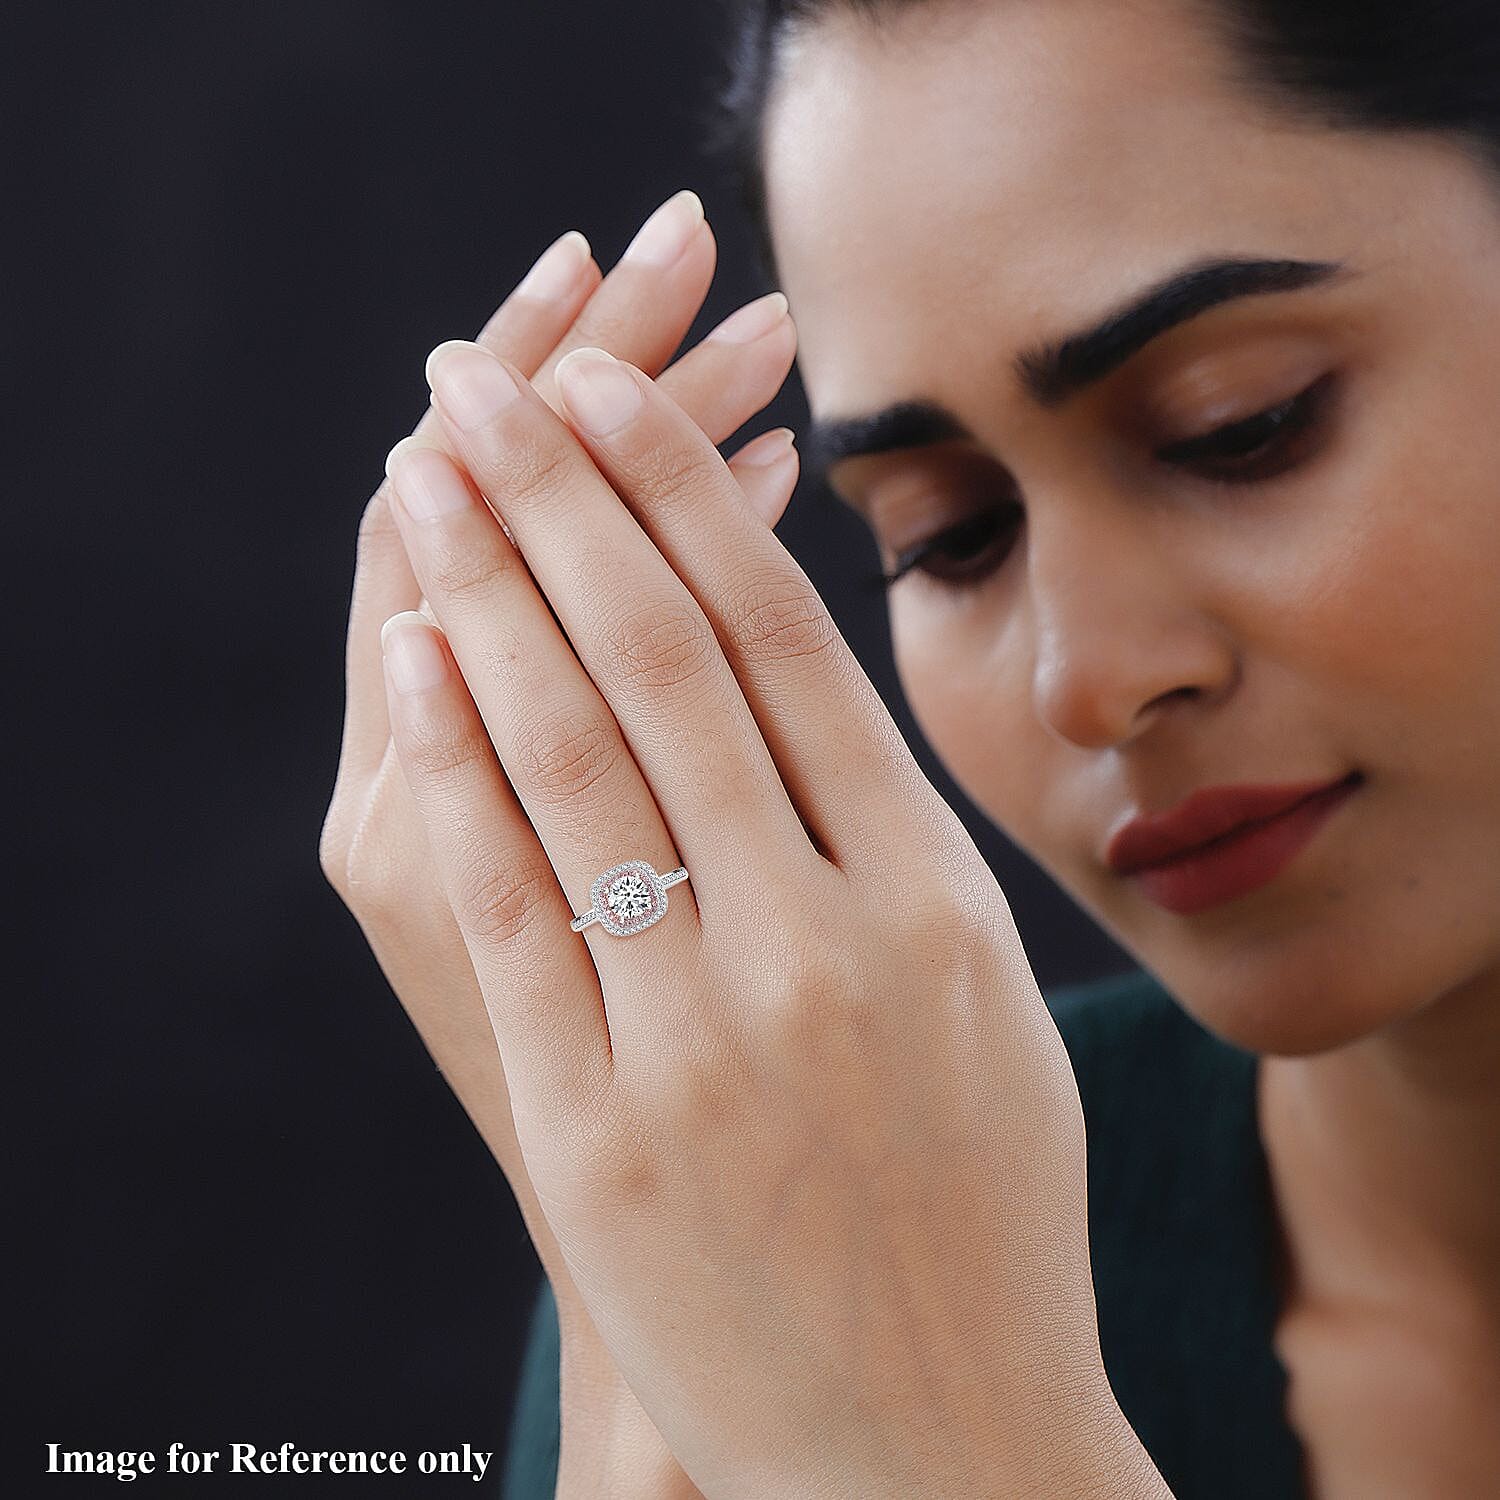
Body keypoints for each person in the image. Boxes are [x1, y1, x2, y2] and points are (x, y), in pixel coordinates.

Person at [321, 0, 1500, 1494]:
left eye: (1239, 427)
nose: (1084, 679)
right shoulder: (816, 1197)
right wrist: (634, 1266)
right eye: (949, 538)